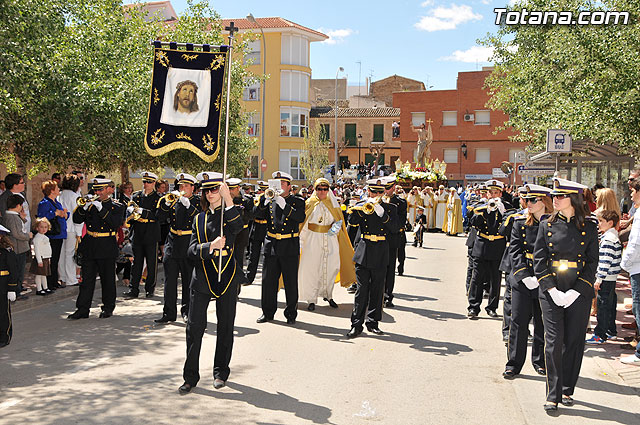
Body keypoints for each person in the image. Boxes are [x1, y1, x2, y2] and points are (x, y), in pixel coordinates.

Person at [533, 177, 598, 412]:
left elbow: (592, 263)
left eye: (560, 196)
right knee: (553, 342)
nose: (555, 200)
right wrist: (551, 288)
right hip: (552, 289)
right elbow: (539, 261)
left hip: (578, 290)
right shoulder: (545, 224)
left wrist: (576, 291)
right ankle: (553, 393)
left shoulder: (589, 227)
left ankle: (568, 388)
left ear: (573, 198)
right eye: (554, 196)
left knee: (573, 342)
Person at [179, 173, 244, 393]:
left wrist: (229, 199)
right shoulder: (198, 218)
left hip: (226, 275)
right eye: (206, 190)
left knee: (225, 326)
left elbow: (238, 228)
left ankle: (220, 372)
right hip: (203, 277)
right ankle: (190, 376)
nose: (210, 193)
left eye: (215, 189)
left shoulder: (232, 213)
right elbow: (190, 250)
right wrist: (210, 247)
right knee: (194, 327)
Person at [502, 184, 551, 380]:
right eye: (527, 200)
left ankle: (539, 361)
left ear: (544, 202)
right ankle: (513, 363)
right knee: (518, 321)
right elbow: (515, 251)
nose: (527, 203)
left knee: (542, 323)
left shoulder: (554, 224)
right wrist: (524, 276)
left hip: (545, 278)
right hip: (523, 278)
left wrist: (543, 278)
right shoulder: (520, 222)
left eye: (532, 200)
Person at [347, 178, 398, 338]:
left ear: (384, 193)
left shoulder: (390, 208)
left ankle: (373, 322)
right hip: (364, 249)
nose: (376, 195)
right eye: (373, 192)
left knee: (377, 290)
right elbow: (352, 223)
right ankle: (356, 324)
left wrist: (381, 213)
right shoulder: (362, 205)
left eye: (379, 192)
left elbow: (395, 228)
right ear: (368, 191)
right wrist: (357, 209)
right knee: (361, 290)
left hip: (381, 251)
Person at [67, 178, 125, 319]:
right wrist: (83, 208)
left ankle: (108, 307)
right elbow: (76, 219)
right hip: (90, 244)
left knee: (107, 280)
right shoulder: (90, 204)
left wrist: (101, 209)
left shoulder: (117, 206)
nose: (97, 192)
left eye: (100, 190)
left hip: (106, 244)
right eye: (96, 190)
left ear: (109, 190)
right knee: (86, 280)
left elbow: (115, 223)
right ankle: (82, 309)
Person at [255, 171, 305, 325]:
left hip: (289, 245)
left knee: (290, 283)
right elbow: (255, 215)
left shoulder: (297, 201)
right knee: (268, 281)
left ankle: (291, 314)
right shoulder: (269, 200)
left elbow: (300, 217)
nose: (279, 187)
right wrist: (263, 201)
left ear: (289, 186)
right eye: (276, 184)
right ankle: (267, 312)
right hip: (272, 244)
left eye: (282, 183)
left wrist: (285, 206)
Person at [298, 178, 356, 311]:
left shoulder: (333, 204)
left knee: (331, 267)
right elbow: (304, 224)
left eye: (325, 189)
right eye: (319, 189)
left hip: (330, 240)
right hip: (312, 240)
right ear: (315, 190)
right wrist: (301, 242)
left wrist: (331, 234)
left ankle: (328, 295)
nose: (322, 192)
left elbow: (339, 222)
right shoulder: (309, 203)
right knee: (312, 269)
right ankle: (311, 299)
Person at [155, 173, 200, 323]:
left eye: (186, 186)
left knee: (188, 281)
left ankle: (187, 311)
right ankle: (168, 312)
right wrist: (166, 205)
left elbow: (201, 219)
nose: (182, 189)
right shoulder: (173, 200)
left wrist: (189, 206)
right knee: (170, 281)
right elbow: (159, 218)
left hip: (188, 243)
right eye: (181, 186)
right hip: (172, 243)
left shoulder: (198, 202)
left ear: (193, 188)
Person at [467, 180, 508, 319]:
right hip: (482, 245)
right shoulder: (480, 207)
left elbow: (508, 228)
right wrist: (484, 211)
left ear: (500, 194)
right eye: (491, 192)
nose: (493, 195)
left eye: (496, 192)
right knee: (477, 278)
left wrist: (503, 212)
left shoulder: (506, 207)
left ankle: (492, 307)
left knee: (495, 280)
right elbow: (472, 222)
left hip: (497, 246)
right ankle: (473, 307)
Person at [586, 209, 622, 345]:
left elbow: (605, 261)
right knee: (610, 305)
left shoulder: (608, 240)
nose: (598, 224)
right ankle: (611, 331)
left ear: (610, 223)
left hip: (606, 278)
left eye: (601, 221)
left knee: (603, 306)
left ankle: (600, 334)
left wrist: (599, 279)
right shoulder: (612, 237)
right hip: (611, 278)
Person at [124, 171, 161, 298]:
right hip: (138, 232)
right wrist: (130, 212)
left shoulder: (158, 198)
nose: (146, 184)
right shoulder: (136, 196)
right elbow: (130, 211)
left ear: (154, 183)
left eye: (149, 182)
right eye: (144, 182)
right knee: (136, 263)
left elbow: (157, 216)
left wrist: (142, 212)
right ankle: (133, 289)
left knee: (151, 264)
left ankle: (149, 288)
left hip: (151, 232)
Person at [620, 177, 640, 366]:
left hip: (637, 267)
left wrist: (624, 264)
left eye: (634, 190)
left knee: (639, 309)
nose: (631, 195)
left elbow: (635, 244)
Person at [36, 180, 69, 291]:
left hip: (59, 234)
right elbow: (42, 217)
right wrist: (55, 213)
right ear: (51, 190)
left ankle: (54, 281)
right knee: (51, 259)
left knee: (56, 259)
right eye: (56, 188)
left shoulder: (56, 201)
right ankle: (50, 282)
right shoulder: (45, 203)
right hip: (52, 235)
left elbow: (63, 214)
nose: (59, 189)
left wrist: (65, 214)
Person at [1, 194, 32, 297]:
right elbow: (17, 233)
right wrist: (28, 236)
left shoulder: (11, 216)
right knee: (18, 271)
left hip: (18, 247)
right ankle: (17, 291)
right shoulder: (12, 217)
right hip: (18, 248)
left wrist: (22, 219)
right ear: (18, 205)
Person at [227, 178, 253, 287]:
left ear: (238, 188)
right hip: (228, 233)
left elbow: (251, 215)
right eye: (229, 189)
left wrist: (240, 211)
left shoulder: (246, 200)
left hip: (241, 233)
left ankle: (236, 289)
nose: (230, 191)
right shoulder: (224, 200)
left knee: (238, 260)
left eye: (232, 189)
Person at [58, 174, 82, 287]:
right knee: (70, 254)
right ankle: (71, 279)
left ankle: (62, 277)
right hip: (72, 228)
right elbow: (77, 216)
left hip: (61, 228)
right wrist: (79, 232)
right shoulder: (74, 196)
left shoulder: (60, 195)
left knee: (61, 254)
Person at [246, 180, 269, 285]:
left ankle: (268, 278)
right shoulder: (256, 200)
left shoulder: (271, 200)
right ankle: (249, 277)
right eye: (260, 190)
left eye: (264, 190)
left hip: (267, 227)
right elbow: (254, 213)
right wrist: (261, 201)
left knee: (268, 255)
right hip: (257, 227)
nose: (261, 192)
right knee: (253, 254)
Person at [0, 224, 18, 348]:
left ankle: (4, 336)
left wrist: (12, 288)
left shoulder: (7, 251)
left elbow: (14, 271)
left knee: (3, 312)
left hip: (3, 284)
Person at [31, 218, 53, 295]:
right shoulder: (37, 238)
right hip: (41, 258)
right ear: (37, 228)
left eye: (45, 227)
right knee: (39, 274)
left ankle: (45, 287)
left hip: (46, 258)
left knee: (44, 274)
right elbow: (37, 249)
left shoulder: (45, 237)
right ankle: (39, 289)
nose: (44, 229)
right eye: (41, 227)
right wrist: (39, 260)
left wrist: (49, 258)